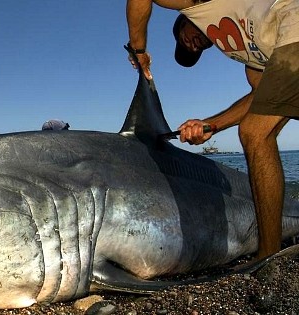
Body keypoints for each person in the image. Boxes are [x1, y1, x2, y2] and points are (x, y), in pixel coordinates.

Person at [126, 0, 299, 259]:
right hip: (284, 51)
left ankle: (268, 258)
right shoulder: (247, 57)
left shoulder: (199, 4)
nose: (193, 45)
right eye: (194, 50)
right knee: (258, 126)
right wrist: (211, 126)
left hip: (292, 19)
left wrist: (138, 49)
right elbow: (261, 98)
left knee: (254, 132)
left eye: (186, 40)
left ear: (184, 20)